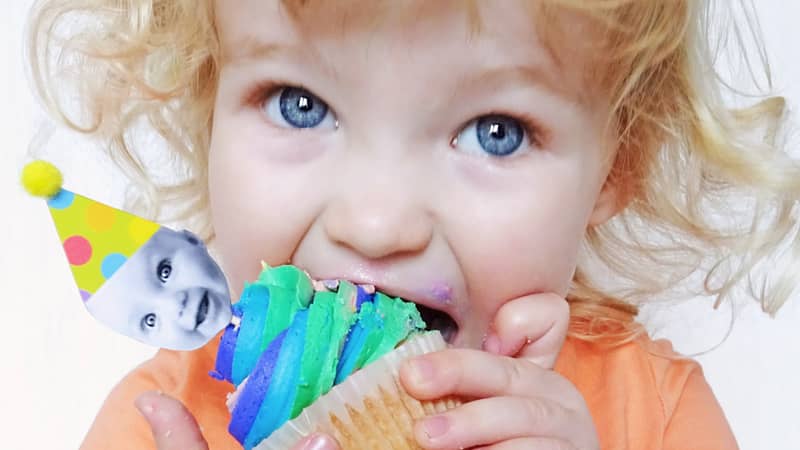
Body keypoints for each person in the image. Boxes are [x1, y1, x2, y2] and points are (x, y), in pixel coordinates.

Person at [26, 0, 797, 449]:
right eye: (301, 105)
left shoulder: (655, 416)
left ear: (617, 168)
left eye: (496, 130)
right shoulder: (153, 424)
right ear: (207, 114)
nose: (376, 222)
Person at [86, 227, 233, 351]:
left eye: (165, 272)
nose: (173, 305)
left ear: (191, 239)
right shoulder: (172, 380)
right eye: (151, 320)